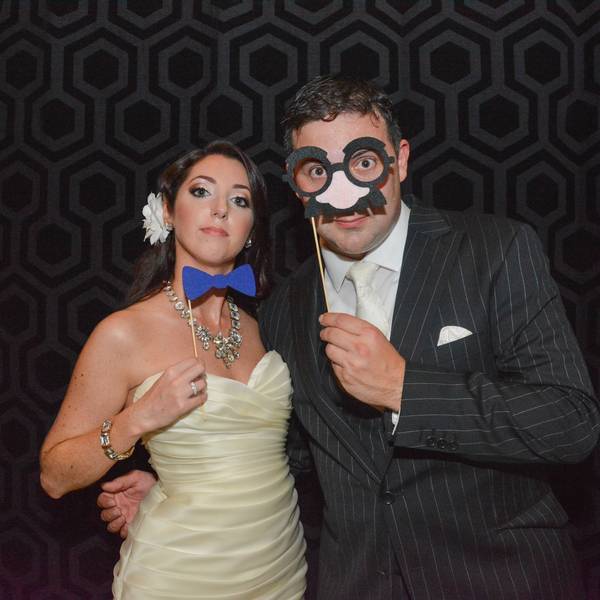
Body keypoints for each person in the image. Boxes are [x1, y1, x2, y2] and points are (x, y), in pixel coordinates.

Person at [98, 76, 599, 599]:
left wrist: (403, 389)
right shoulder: (284, 308)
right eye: (318, 170)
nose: (345, 193)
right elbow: (293, 454)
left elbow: (571, 422)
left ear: (399, 161)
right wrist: (191, 494)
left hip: (500, 581)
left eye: (363, 163)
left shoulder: (494, 251)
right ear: (298, 185)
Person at [39, 141, 307, 599]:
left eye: (240, 200)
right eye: (202, 192)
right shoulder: (123, 334)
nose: (220, 209)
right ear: (167, 211)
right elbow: (54, 475)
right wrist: (138, 418)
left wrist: (168, 483)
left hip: (280, 565)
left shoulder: (265, 326)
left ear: (251, 229)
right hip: (181, 572)